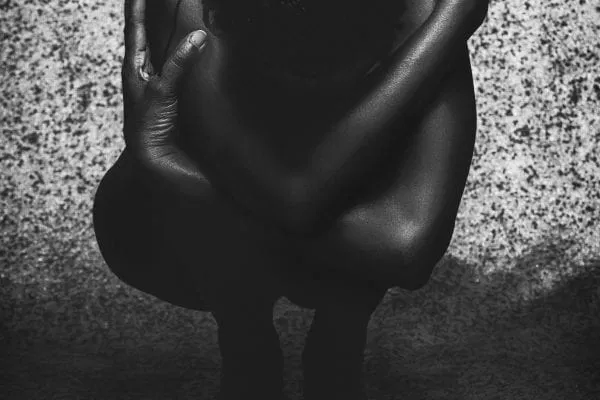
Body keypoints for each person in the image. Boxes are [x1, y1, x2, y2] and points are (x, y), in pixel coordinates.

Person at [92, 0, 489, 399]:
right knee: (237, 176)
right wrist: (452, 23)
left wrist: (171, 168)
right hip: (181, 239)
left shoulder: (427, 8)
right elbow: (302, 206)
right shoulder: (190, 8)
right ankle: (248, 348)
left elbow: (405, 245)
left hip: (328, 227)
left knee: (367, 164)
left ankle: (336, 348)